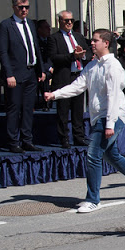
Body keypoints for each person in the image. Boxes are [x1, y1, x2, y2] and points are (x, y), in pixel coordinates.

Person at [44, 29, 125, 212]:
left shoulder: (114, 66)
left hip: (112, 116)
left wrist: (109, 124)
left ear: (106, 43)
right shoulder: (92, 66)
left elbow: (113, 96)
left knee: (93, 155)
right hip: (99, 118)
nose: (91, 43)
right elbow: (77, 86)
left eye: (95, 41)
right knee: (112, 155)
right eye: (92, 41)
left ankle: (93, 199)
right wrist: (54, 94)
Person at [0, 0, 46, 153]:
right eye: (21, 7)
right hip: (15, 74)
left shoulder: (30, 25)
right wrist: (8, 74)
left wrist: (41, 70)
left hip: (31, 73)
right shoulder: (6, 25)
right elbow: (3, 52)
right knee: (14, 108)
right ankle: (13, 142)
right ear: (14, 7)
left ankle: (27, 140)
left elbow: (35, 48)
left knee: (28, 108)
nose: (24, 10)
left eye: (27, 7)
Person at [46, 10, 90, 148]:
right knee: (63, 110)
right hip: (63, 77)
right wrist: (73, 56)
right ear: (60, 21)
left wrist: (82, 56)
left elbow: (87, 53)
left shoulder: (79, 36)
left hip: (78, 76)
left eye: (71, 20)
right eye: (66, 20)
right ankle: (64, 138)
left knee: (78, 110)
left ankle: (79, 136)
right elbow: (53, 57)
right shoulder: (54, 38)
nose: (69, 23)